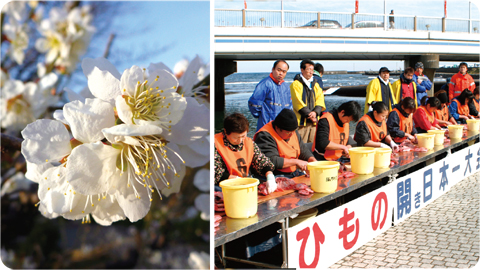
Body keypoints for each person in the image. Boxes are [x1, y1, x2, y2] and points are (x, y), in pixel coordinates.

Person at [214, 113, 277, 193]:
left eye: (243, 136)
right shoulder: (215, 143)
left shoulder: (249, 142)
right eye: (235, 137)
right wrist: (237, 181)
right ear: (226, 132)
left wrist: (270, 176)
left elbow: (262, 161)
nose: (240, 140)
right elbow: (214, 172)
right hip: (224, 184)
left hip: (245, 182)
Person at [254, 109, 316, 177]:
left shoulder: (292, 131)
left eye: (294, 131)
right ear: (277, 128)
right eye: (288, 132)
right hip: (275, 175)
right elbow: (271, 161)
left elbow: (303, 149)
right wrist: (296, 162)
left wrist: (312, 159)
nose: (292, 134)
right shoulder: (264, 135)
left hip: (294, 172)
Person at [248, 60, 292, 131]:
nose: (281, 73)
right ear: (273, 69)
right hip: (266, 126)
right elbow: (254, 104)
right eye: (279, 70)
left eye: (284, 72)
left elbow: (289, 106)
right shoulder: (265, 84)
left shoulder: (286, 86)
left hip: (281, 128)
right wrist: (263, 116)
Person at [290, 59, 326, 143]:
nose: (311, 72)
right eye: (308, 69)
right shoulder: (296, 84)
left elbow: (320, 99)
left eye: (312, 70)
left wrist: (316, 113)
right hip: (301, 123)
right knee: (300, 145)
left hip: (313, 123)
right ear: (302, 70)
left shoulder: (315, 84)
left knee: (312, 145)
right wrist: (309, 114)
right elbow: (297, 101)